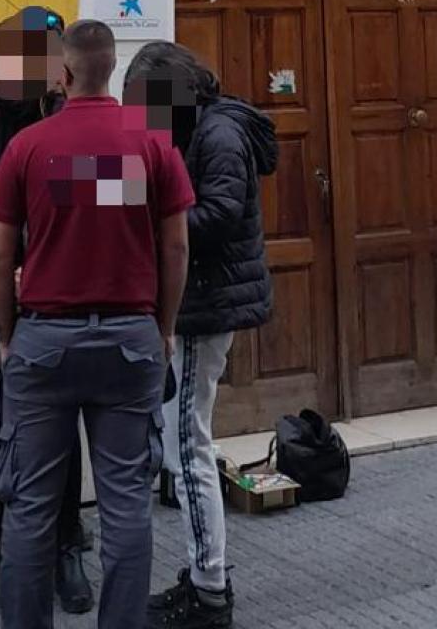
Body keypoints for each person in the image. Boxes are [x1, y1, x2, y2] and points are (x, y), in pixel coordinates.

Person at [0, 20, 194, 629]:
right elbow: (176, 247)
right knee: (126, 506)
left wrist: (6, 337)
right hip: (130, 341)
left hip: (44, 342)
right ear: (112, 69)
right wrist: (164, 327)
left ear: (64, 72)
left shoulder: (28, 146)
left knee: (31, 509)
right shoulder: (152, 144)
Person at [0, 9, 93, 621]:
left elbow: (90, 206)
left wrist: (42, 270)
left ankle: (66, 550)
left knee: (59, 429)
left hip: (54, 302)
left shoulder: (67, 120)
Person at [125, 43, 277, 629]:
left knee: (187, 448)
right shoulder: (198, 129)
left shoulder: (219, 135)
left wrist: (144, 216)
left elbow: (217, 214)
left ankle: (210, 590)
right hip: (197, 302)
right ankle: (203, 576)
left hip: (204, 308)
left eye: (147, 104)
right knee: (183, 443)